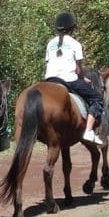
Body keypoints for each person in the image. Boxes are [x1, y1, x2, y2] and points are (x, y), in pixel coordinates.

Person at [44, 11, 104, 146]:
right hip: (68, 79)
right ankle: (89, 131)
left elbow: (49, 64)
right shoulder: (75, 44)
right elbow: (78, 69)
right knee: (97, 98)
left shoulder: (50, 44)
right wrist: (83, 79)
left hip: (50, 79)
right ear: (72, 28)